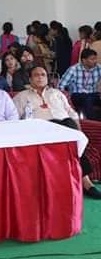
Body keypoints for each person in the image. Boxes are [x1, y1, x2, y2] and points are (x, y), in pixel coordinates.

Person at [13, 65, 101, 199]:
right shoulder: (21, 96)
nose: (40, 77)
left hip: (66, 127)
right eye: (36, 75)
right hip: (41, 130)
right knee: (66, 128)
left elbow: (72, 113)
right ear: (30, 79)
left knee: (69, 126)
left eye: (43, 75)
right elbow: (14, 118)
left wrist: (78, 131)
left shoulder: (57, 93)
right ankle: (85, 182)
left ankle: (85, 181)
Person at [59, 48, 101, 120]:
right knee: (87, 99)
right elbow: (61, 85)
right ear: (84, 60)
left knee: (90, 98)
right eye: (92, 59)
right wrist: (66, 98)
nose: (95, 61)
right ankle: (93, 122)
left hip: (93, 94)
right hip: (77, 95)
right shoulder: (73, 69)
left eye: (95, 59)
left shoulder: (98, 68)